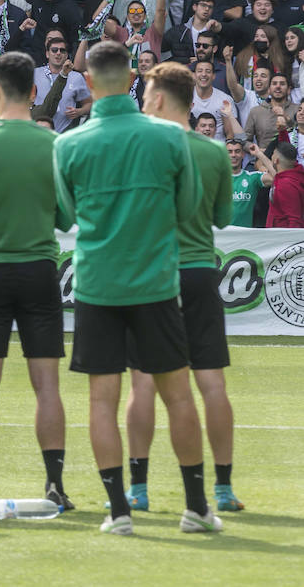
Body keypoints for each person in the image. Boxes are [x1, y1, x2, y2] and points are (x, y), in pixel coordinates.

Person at [53, 40, 221, 536]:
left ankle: (118, 510)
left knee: (102, 401)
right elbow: (190, 208)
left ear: (88, 81)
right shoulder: (168, 138)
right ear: (133, 78)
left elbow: (65, 215)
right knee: (178, 395)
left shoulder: (69, 144)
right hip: (154, 283)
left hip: (99, 285)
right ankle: (196, 506)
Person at [0, 52, 73, 508]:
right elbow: (66, 216)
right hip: (40, 267)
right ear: (36, 91)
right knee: (47, 385)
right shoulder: (55, 145)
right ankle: (55, 485)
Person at [123, 62, 242, 514]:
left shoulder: (140, 148)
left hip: (152, 274)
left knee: (143, 385)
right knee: (210, 381)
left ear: (157, 97)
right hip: (196, 272)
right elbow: (224, 219)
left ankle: (138, 488)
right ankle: (224, 488)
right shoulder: (212, 152)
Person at [226, 138, 272, 227]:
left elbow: (276, 178)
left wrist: (259, 154)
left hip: (245, 236)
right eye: (230, 152)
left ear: (243, 154)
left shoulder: (252, 178)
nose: (233, 155)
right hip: (222, 235)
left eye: (237, 151)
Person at [266, 140, 304, 227]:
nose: (271, 157)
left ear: (276, 160)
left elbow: (294, 219)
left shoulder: (286, 185)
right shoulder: (292, 174)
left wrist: (293, 240)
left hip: (283, 238)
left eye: (273, 154)